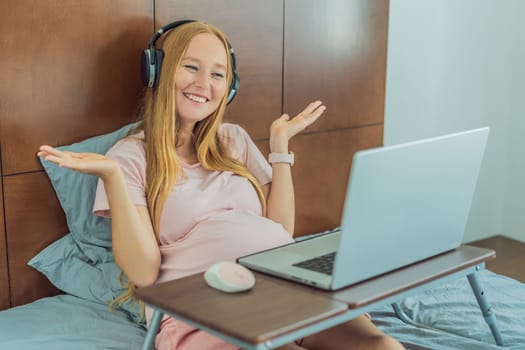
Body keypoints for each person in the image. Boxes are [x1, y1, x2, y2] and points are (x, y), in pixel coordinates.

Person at [38, 20, 404, 350]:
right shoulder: (129, 157)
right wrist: (113, 178)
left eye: (218, 74)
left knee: (380, 346)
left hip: (289, 288)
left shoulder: (234, 139)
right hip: (208, 308)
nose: (204, 84)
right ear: (158, 72)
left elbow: (280, 231)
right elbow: (144, 273)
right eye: (191, 67)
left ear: (230, 86)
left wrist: (280, 150)